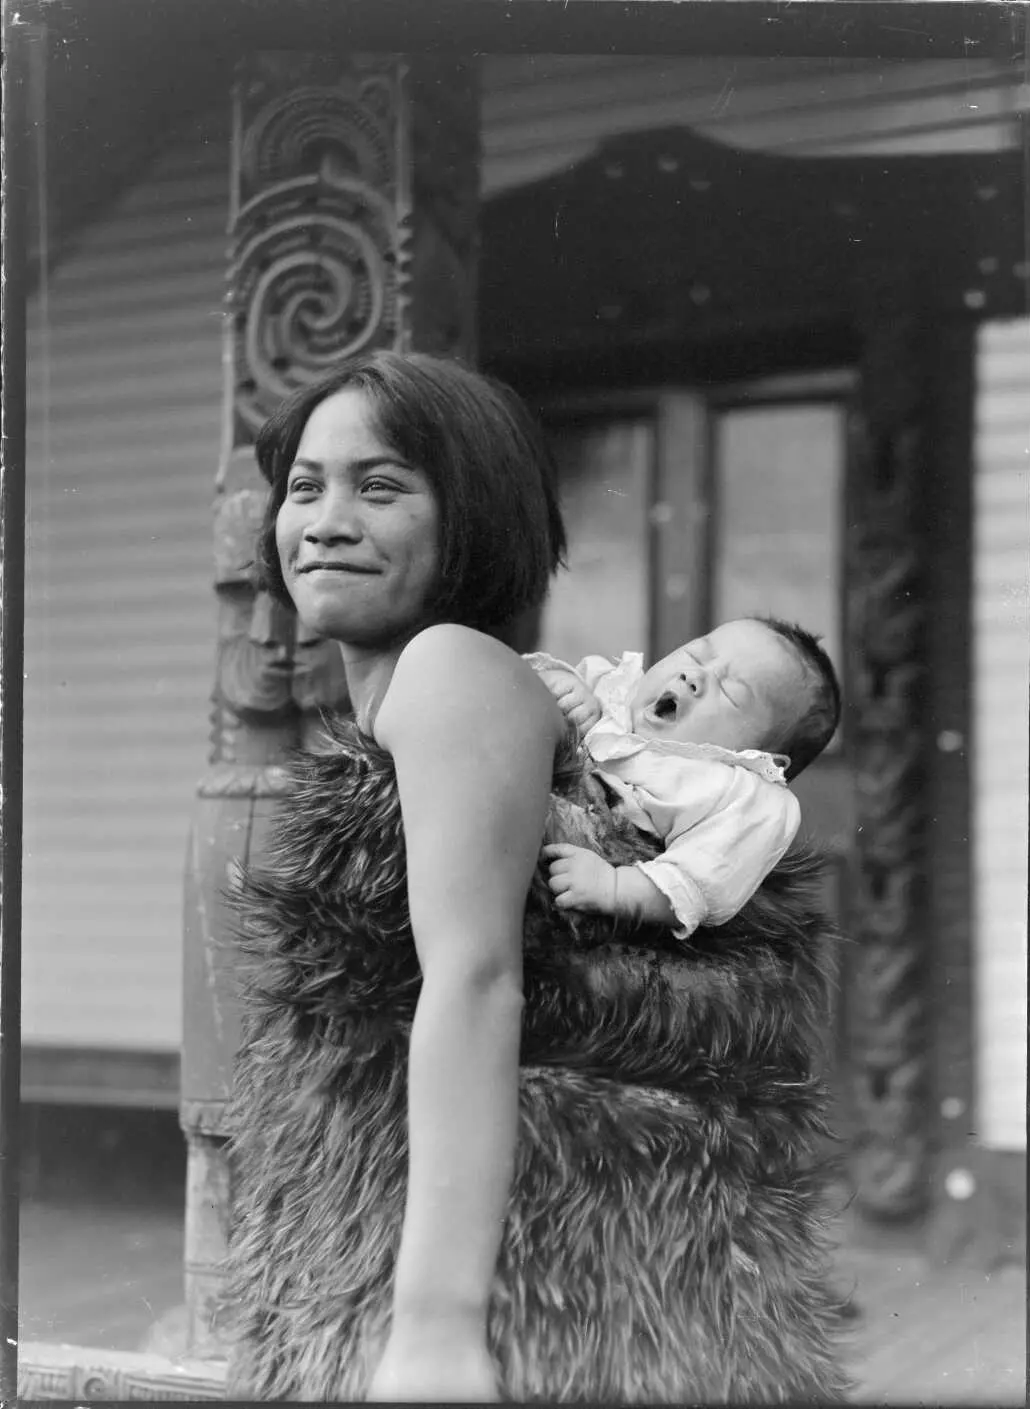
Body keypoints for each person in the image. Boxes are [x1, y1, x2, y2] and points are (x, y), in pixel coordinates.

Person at [221, 350, 850, 1403]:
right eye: (304, 485)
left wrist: (434, 1334)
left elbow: (475, 981)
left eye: (379, 486)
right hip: (435, 1219)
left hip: (525, 1275)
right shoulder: (413, 691)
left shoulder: (451, 669)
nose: (325, 519)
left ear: (471, 518)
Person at [529, 618, 841, 936]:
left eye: (731, 692)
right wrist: (561, 687)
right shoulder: (609, 690)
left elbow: (698, 884)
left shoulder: (734, 792)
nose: (693, 676)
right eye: (696, 655)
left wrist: (613, 886)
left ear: (761, 760)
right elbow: (509, 693)